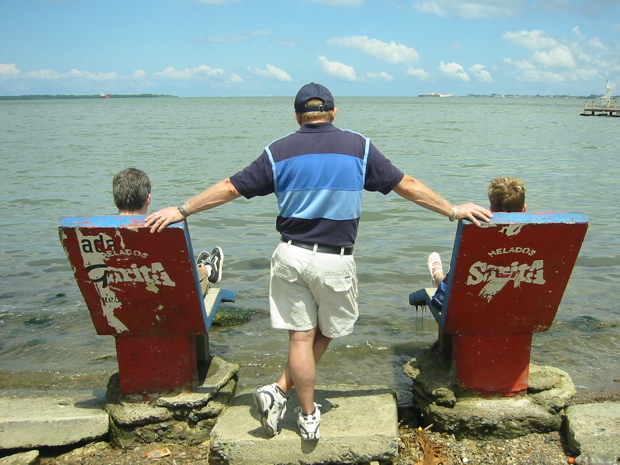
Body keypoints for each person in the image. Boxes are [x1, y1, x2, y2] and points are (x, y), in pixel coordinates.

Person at [144, 83, 492, 441]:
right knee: (330, 329)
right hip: (334, 259)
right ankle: (290, 399)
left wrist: (182, 209)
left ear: (297, 116)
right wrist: (453, 209)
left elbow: (231, 187)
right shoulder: (359, 147)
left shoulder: (278, 151)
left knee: (301, 338)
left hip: (289, 255)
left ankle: (295, 405)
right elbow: (407, 184)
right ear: (334, 112)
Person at [112, 167, 224, 287]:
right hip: (163, 293)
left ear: (115, 199)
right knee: (184, 273)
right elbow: (179, 274)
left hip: (117, 291)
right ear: (148, 199)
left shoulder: (99, 231)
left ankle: (206, 268)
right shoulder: (163, 230)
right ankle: (208, 270)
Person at [427, 175, 526, 309]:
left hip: (472, 302)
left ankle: (437, 277)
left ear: (491, 209)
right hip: (519, 299)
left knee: (454, 275)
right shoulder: (539, 237)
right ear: (524, 208)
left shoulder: (479, 236)